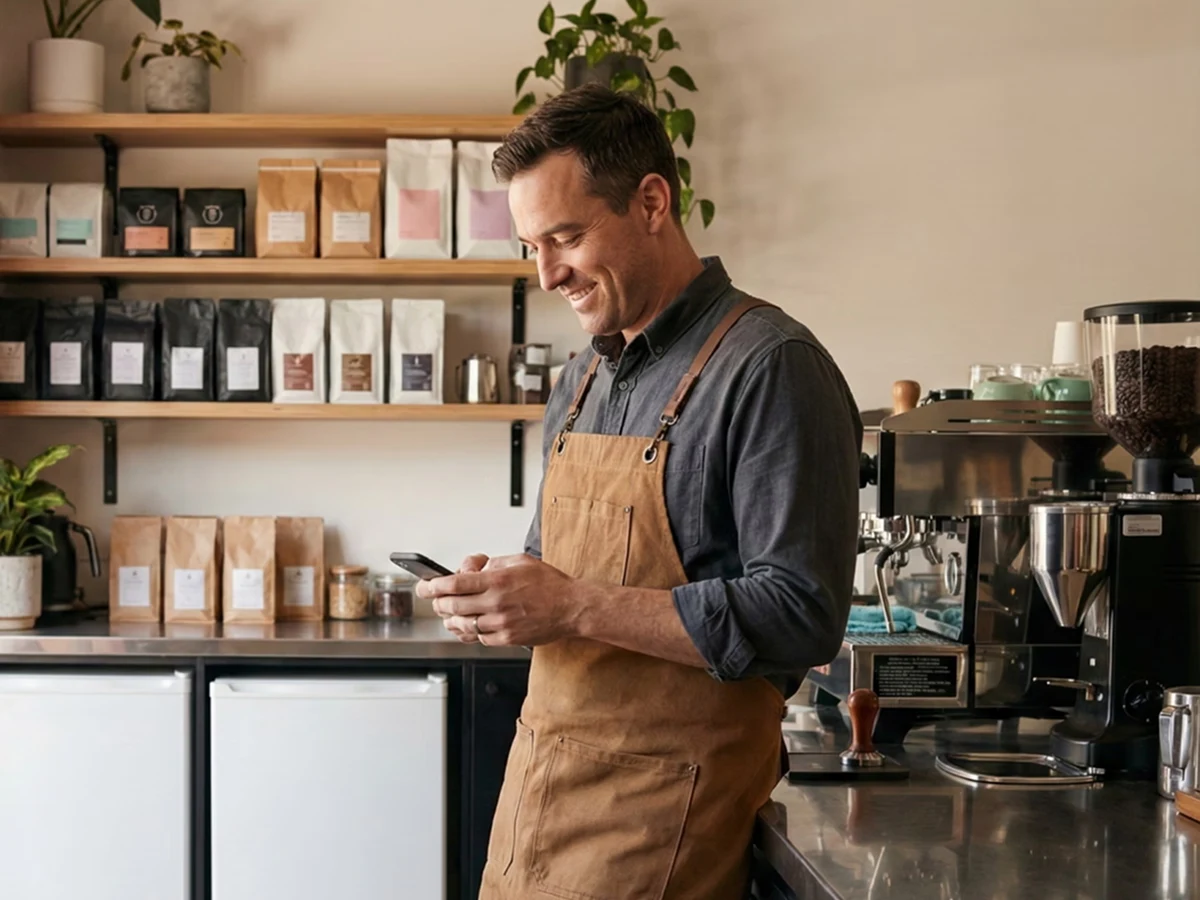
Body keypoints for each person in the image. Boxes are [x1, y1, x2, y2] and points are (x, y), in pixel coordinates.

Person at [416, 84, 863, 900]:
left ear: (652, 201)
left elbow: (802, 614)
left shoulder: (770, 367)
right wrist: (504, 595)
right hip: (542, 797)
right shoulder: (583, 378)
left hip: (669, 820)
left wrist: (578, 607)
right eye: (530, 248)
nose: (548, 274)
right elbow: (558, 571)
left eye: (566, 237)